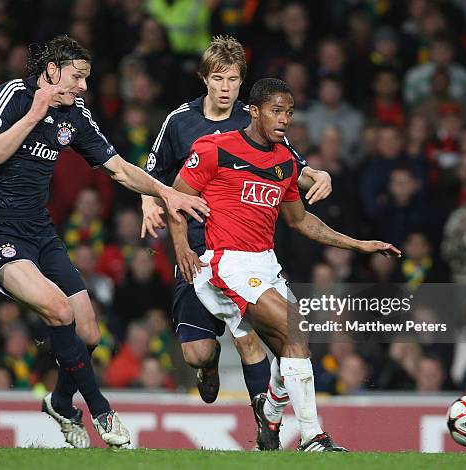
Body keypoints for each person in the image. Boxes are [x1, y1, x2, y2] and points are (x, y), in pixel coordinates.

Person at [0, 36, 208, 449]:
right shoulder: (14, 96)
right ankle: (99, 409)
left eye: (87, 78)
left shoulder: (75, 114)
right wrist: (34, 113)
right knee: (59, 312)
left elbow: (119, 169)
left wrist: (167, 193)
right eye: (78, 77)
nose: (84, 87)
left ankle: (60, 401)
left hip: (39, 230)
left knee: (89, 333)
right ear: (52, 70)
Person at [169, 78, 400, 451]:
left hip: (265, 264)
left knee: (296, 343)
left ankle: (271, 416)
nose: (284, 119)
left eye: (289, 112)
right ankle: (313, 437)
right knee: (292, 332)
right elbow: (176, 198)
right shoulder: (214, 148)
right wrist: (181, 247)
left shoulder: (286, 161)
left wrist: (359, 245)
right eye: (277, 111)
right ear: (255, 111)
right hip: (226, 263)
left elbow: (301, 221)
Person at [141, 36, 332, 410]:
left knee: (247, 337)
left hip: (240, 249)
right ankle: (208, 367)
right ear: (204, 79)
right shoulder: (179, 121)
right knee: (197, 352)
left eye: (233, 80)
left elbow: (291, 162)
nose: (226, 88)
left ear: (241, 81)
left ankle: (265, 422)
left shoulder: (254, 117)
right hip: (193, 244)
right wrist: (149, 203)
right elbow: (153, 171)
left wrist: (316, 173)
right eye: (218, 79)